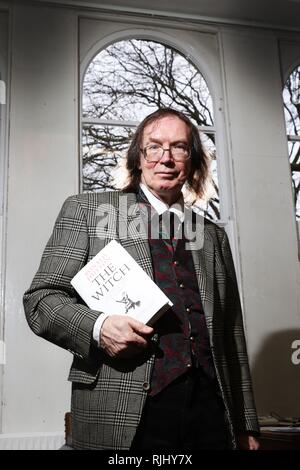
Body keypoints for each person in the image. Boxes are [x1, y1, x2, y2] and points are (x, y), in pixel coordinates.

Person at [23, 108, 260, 450]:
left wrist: (245, 423)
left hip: (210, 413)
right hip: (124, 411)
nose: (166, 158)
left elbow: (231, 334)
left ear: (192, 161)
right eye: (154, 147)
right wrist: (99, 327)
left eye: (179, 147)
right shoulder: (88, 212)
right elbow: (41, 300)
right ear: (137, 156)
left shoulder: (211, 235)